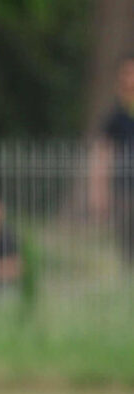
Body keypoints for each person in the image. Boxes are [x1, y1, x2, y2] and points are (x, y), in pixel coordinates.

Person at [88, 56, 134, 263]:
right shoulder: (115, 116)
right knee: (127, 235)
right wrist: (99, 191)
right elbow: (102, 152)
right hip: (125, 186)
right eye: (127, 74)